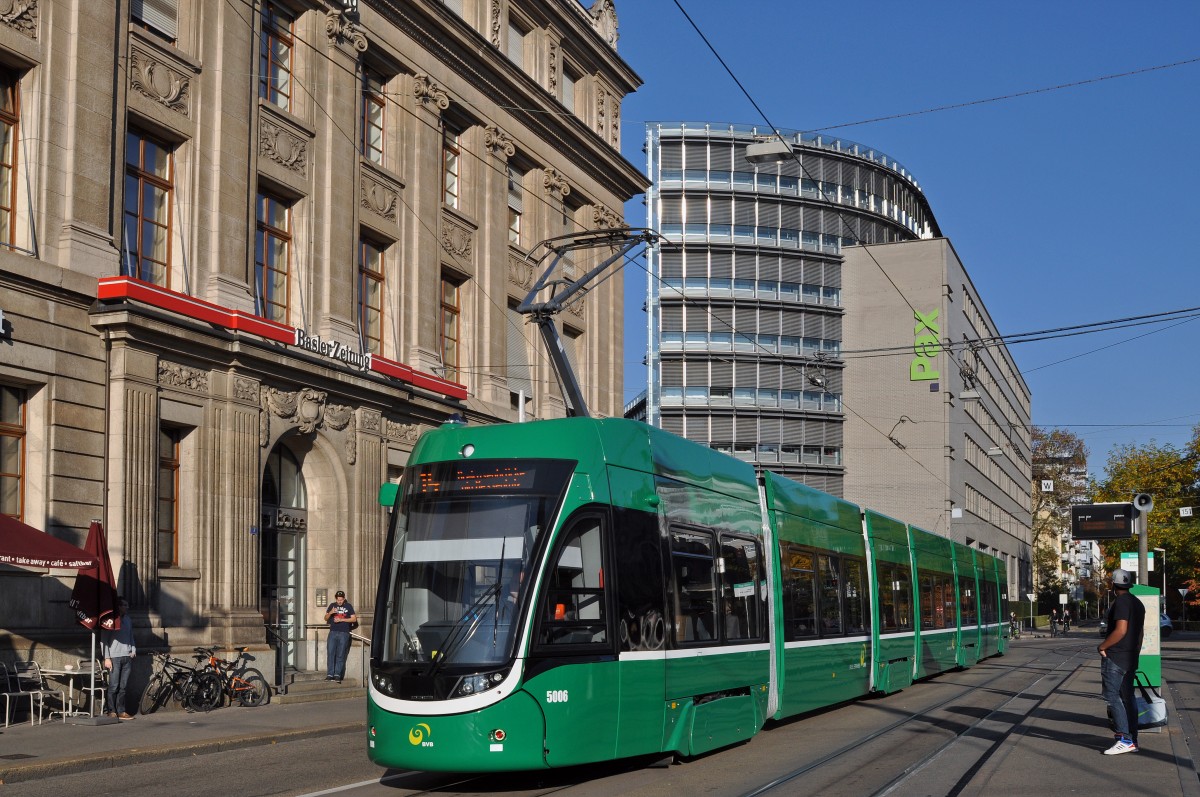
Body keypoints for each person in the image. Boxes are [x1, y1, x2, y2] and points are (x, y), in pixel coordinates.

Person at [1098, 568, 1146, 755]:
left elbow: (1121, 630)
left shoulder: (1121, 602)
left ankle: (1124, 739)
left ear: (1113, 584)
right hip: (1130, 657)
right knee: (1128, 697)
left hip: (1116, 657)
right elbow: (1140, 633)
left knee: (1112, 697)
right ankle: (1132, 740)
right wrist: (1135, 653)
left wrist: (1103, 646)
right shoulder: (1137, 603)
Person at [100, 597, 136, 720]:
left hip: (127, 656)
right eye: (125, 605)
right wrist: (107, 657)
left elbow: (131, 635)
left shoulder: (128, 619)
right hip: (114, 657)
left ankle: (121, 710)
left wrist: (133, 649)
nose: (127, 607)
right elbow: (104, 640)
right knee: (113, 685)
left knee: (123, 687)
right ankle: (111, 710)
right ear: (118, 606)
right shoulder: (110, 620)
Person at [324, 590, 357, 682]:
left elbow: (354, 619)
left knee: (341, 654)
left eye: (341, 600)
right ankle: (330, 674)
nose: (339, 602)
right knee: (330, 653)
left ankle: (337, 674)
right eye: (338, 600)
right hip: (333, 632)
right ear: (336, 599)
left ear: (344, 599)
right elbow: (325, 618)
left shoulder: (348, 606)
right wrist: (330, 613)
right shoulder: (332, 605)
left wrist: (342, 619)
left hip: (344, 633)